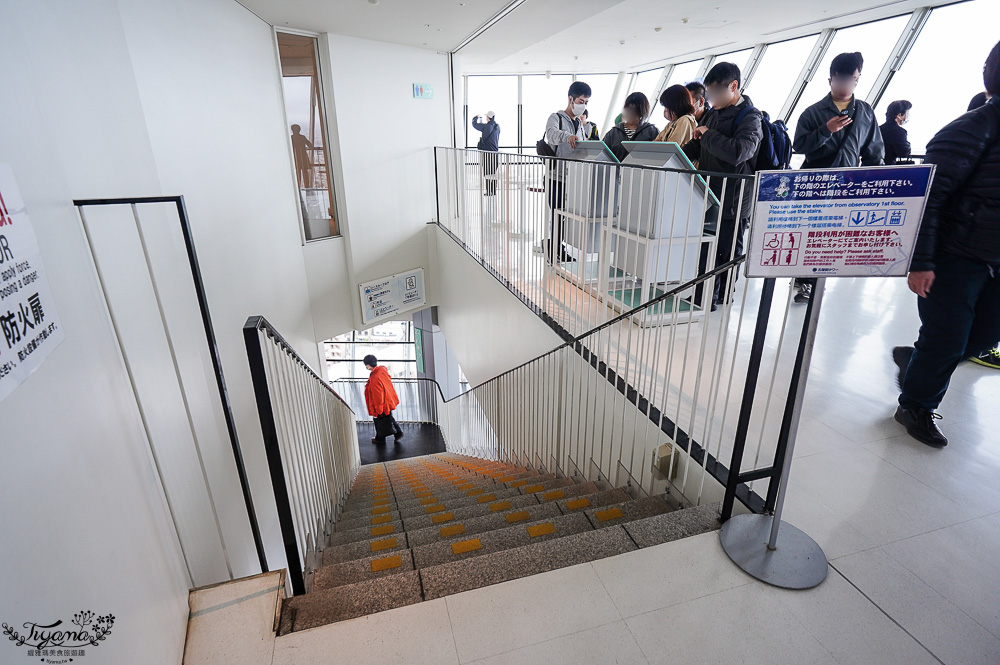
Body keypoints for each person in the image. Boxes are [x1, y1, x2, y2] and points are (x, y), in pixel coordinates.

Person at [891, 40, 1000, 447]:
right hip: (956, 254)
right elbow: (929, 198)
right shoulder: (972, 127)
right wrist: (920, 261)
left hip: (995, 256)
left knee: (986, 335)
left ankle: (916, 361)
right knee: (947, 337)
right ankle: (915, 406)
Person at [792, 51, 885, 302]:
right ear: (830, 79)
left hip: (847, 186)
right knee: (811, 234)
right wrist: (826, 130)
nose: (845, 85)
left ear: (858, 79)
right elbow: (799, 145)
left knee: (832, 235)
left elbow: (874, 152)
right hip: (815, 185)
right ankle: (805, 281)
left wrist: (872, 185)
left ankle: (817, 278)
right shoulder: (813, 112)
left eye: (851, 80)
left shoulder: (865, 112)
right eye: (840, 80)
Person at [682, 62, 763, 309]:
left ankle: (722, 295)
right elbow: (698, 145)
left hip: (734, 198)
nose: (712, 99)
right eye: (709, 93)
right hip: (709, 193)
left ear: (734, 86)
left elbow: (740, 152)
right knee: (706, 247)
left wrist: (708, 134)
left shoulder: (750, 116)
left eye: (716, 92)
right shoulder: (713, 114)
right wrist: (676, 154)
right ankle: (703, 295)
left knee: (727, 251)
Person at [541, 81, 591, 263]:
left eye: (586, 102)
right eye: (581, 101)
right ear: (571, 99)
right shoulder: (556, 117)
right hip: (556, 177)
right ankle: (552, 250)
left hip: (574, 178)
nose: (583, 105)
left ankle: (558, 248)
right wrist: (568, 136)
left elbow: (581, 145)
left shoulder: (579, 123)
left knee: (566, 217)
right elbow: (552, 134)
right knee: (557, 215)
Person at [602, 92, 659, 162]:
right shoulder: (614, 132)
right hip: (615, 169)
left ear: (642, 112)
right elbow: (603, 155)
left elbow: (657, 157)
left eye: (635, 111)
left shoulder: (652, 132)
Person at [363, 354, 404, 445]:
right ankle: (397, 433)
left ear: (368, 365)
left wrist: (379, 409)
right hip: (388, 400)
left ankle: (380, 438)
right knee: (388, 418)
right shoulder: (382, 370)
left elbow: (378, 395)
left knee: (379, 421)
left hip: (382, 404)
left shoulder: (375, 377)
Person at [472, 111, 500, 196]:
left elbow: (475, 125)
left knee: (487, 173)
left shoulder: (486, 126)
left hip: (487, 154)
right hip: (495, 154)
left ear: (488, 118)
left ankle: (489, 191)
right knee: (493, 173)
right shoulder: (497, 127)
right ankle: (494, 190)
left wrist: (475, 118)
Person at [880, 100, 912, 165]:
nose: (908, 115)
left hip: (872, 167)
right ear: (899, 115)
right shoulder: (899, 132)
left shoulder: (878, 129)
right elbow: (904, 153)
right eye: (907, 113)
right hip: (887, 168)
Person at [290, 124, 313, 188]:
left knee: (297, 174)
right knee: (305, 174)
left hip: (295, 158)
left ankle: (298, 187)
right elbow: (310, 145)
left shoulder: (291, 138)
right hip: (303, 158)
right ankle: (307, 187)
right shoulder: (302, 137)